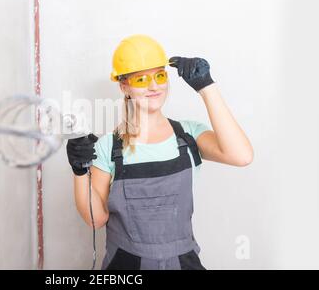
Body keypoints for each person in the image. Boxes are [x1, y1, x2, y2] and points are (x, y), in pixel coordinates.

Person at [66, 34, 253, 270]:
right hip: (126, 265)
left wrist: (207, 87)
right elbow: (96, 219)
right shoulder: (108, 147)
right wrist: (79, 171)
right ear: (124, 86)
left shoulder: (188, 135)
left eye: (160, 75)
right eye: (142, 79)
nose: (154, 86)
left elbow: (242, 156)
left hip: (183, 262)